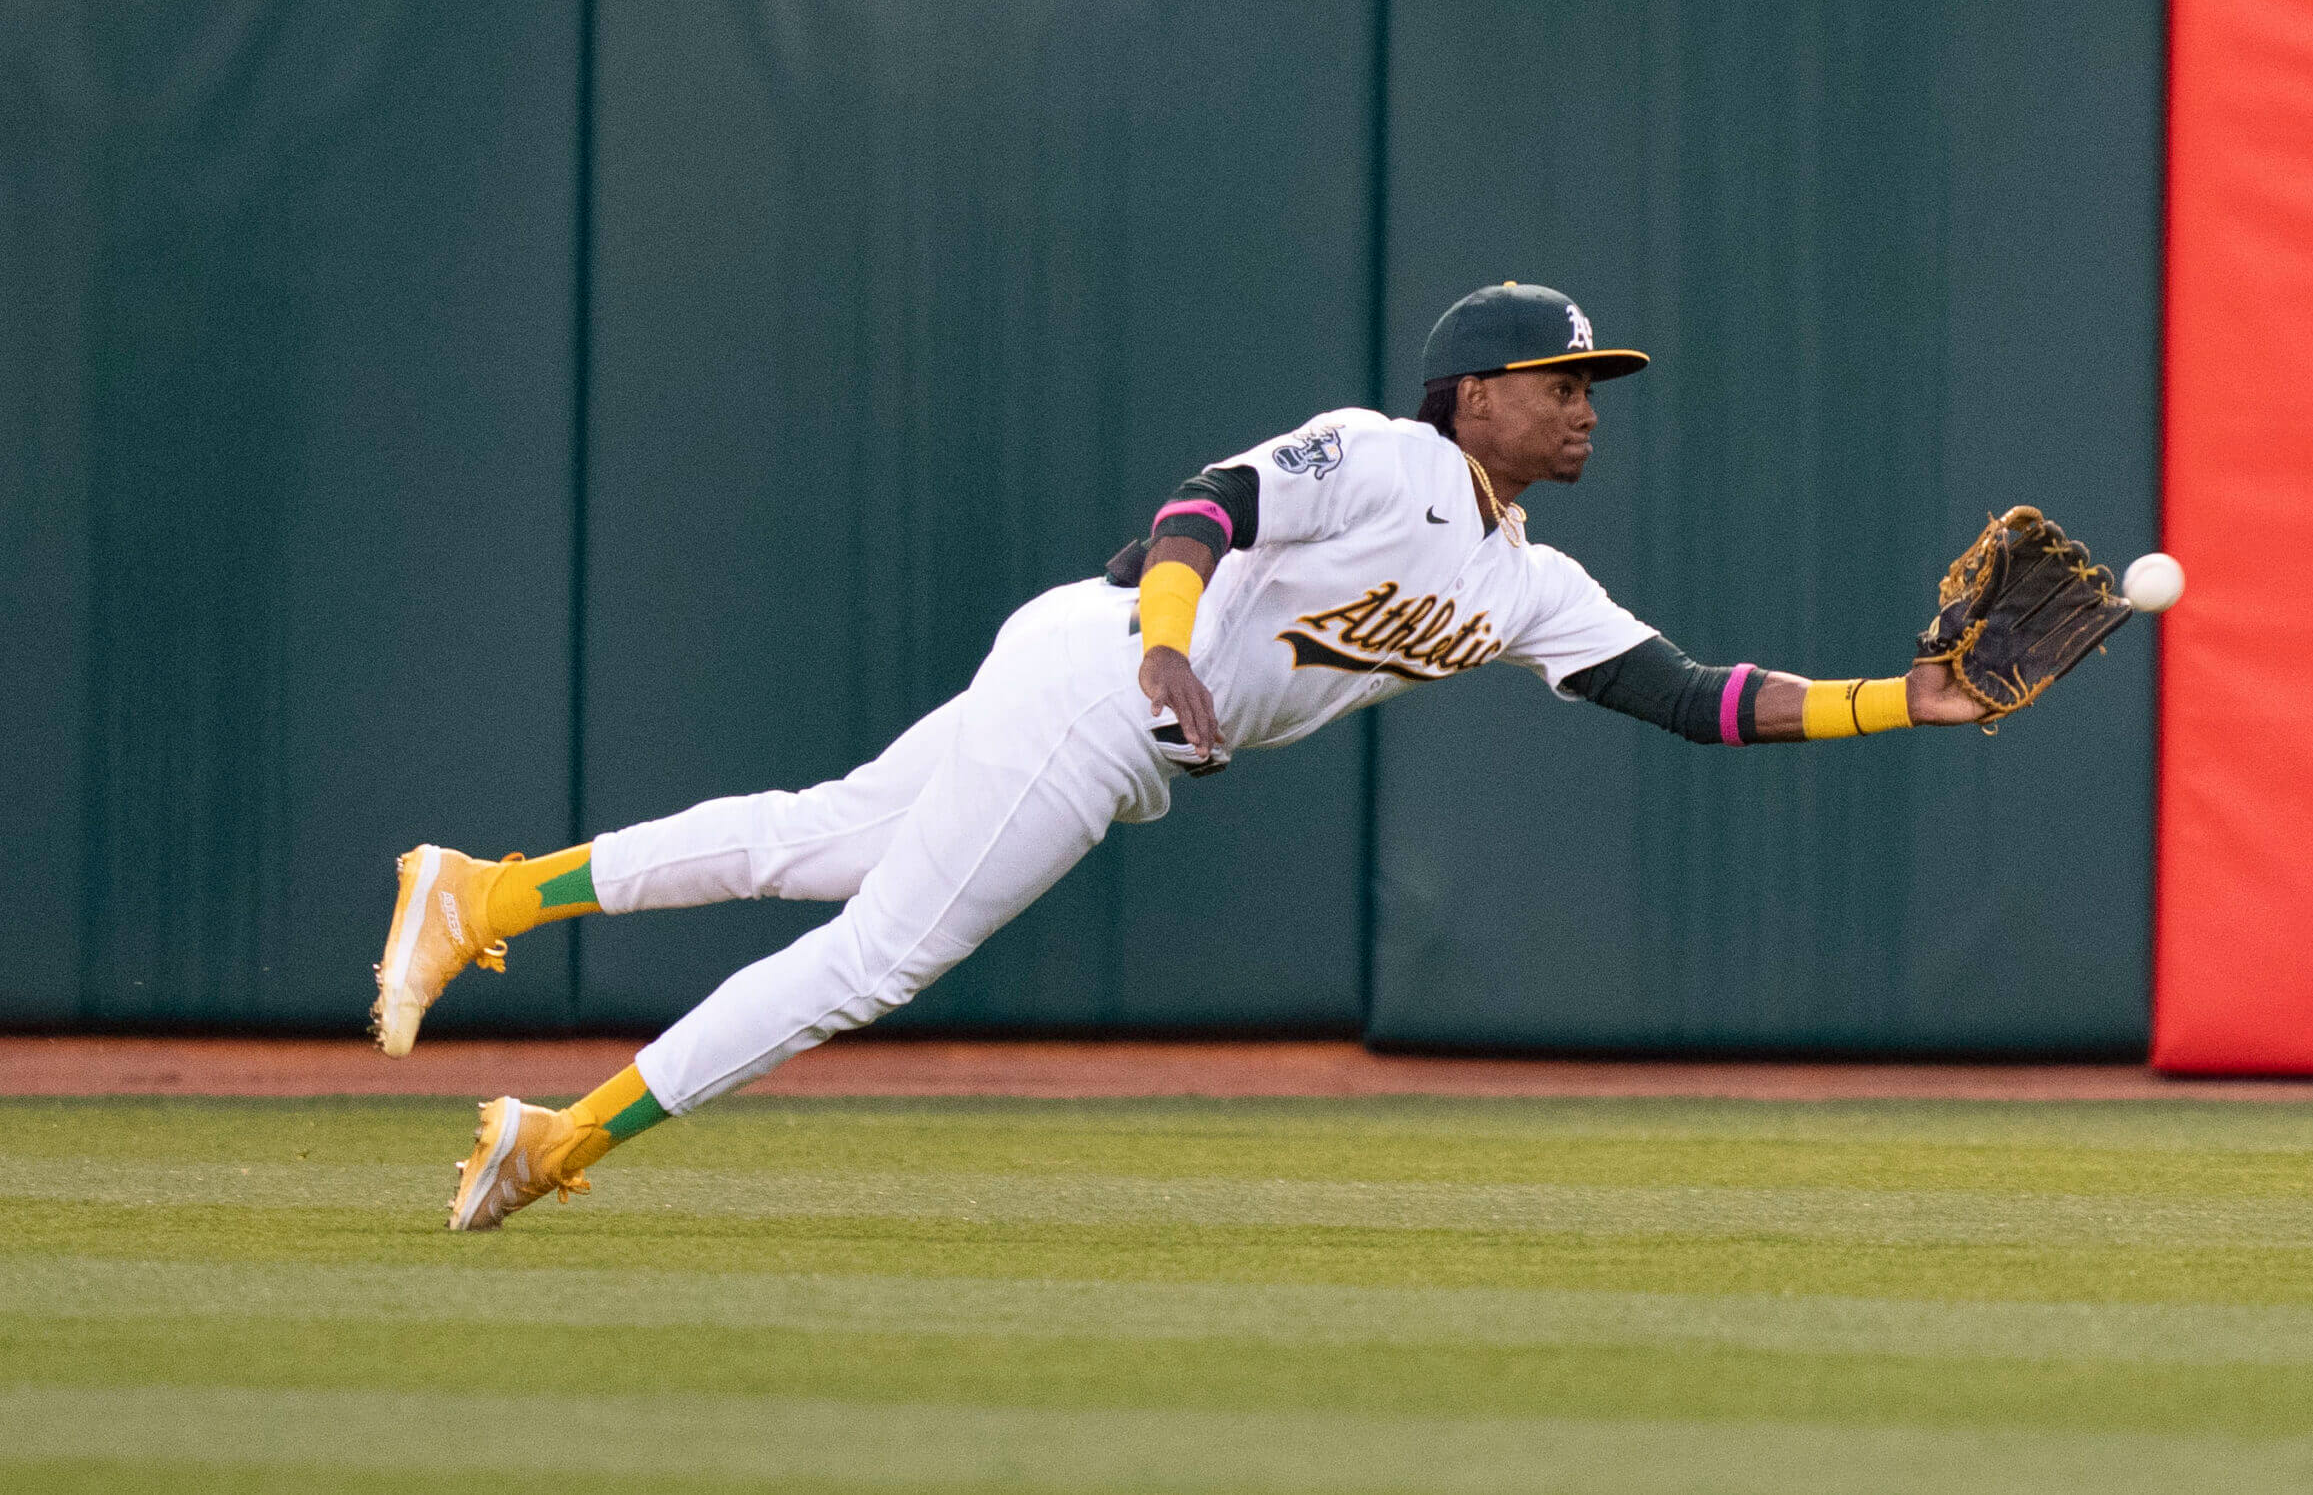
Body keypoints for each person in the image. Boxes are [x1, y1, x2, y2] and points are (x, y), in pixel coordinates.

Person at [381, 282, 1992, 1231]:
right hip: (1102, 680)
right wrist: (1166, 636)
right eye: (1564, 381)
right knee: (872, 957)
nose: (1588, 406)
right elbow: (1208, 505)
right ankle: (562, 1136)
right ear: (1478, 392)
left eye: (1595, 386)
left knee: (833, 837)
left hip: (1101, 693)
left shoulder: (1532, 580)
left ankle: (489, 893)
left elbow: (1691, 693)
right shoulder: (1387, 452)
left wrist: (1895, 701)